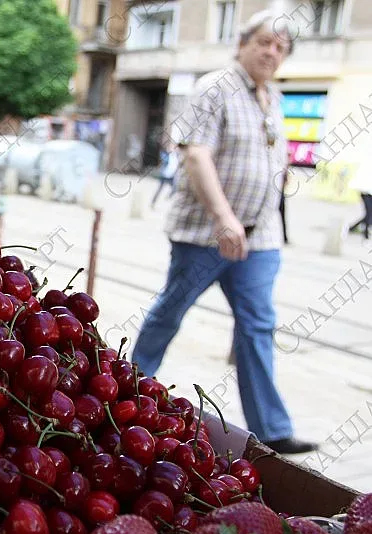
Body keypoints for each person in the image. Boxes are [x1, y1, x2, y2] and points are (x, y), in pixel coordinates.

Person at [130, 11, 317, 454]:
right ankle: (129, 391)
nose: (272, 52)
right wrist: (223, 216)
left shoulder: (273, 95)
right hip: (205, 232)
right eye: (264, 42)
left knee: (258, 325)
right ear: (242, 43)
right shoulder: (215, 86)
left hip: (260, 237)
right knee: (171, 310)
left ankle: (271, 429)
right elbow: (196, 155)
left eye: (281, 47)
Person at [151, 143, 179, 208]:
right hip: (164, 175)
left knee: (175, 188)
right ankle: (153, 202)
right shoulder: (165, 155)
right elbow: (162, 158)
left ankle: (168, 198)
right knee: (159, 189)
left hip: (171, 176)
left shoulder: (176, 156)